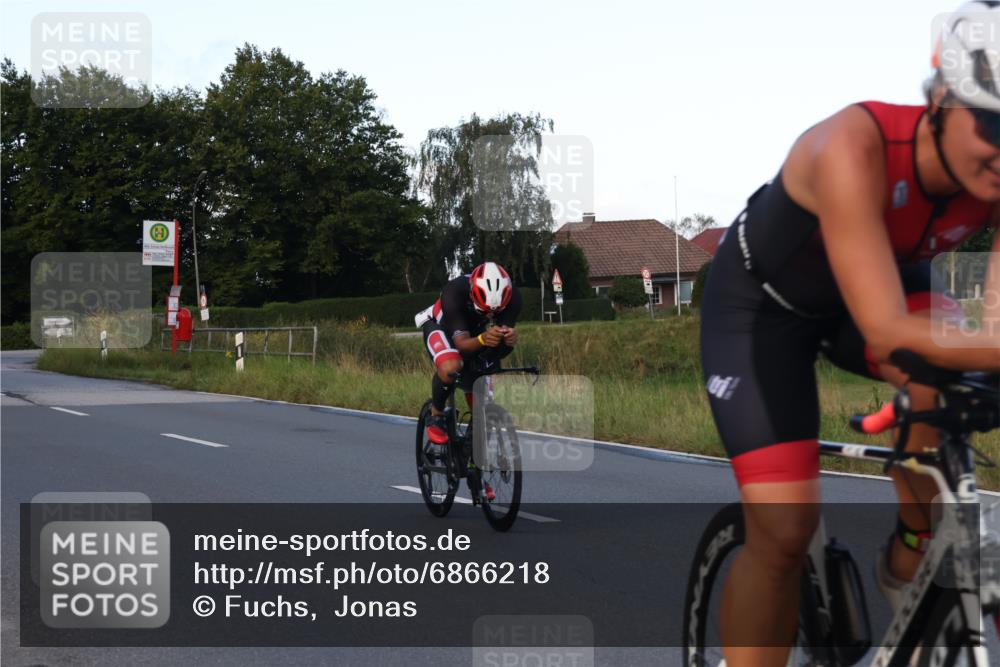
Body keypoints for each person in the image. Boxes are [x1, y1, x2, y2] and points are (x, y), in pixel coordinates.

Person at [699, 3, 1000, 664]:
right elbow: (886, 327)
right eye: (993, 123)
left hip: (871, 284)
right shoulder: (853, 145)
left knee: (947, 359)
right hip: (761, 309)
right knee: (783, 532)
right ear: (943, 97)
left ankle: (911, 555)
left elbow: (993, 326)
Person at [415, 261, 522, 448]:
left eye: (495, 313)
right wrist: (482, 340)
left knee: (482, 384)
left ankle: (473, 462)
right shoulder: (454, 291)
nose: (490, 316)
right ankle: (437, 414)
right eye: (484, 310)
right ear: (473, 292)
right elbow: (462, 346)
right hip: (440, 327)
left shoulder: (514, 297)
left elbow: (498, 351)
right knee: (451, 367)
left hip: (474, 333)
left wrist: (508, 341)